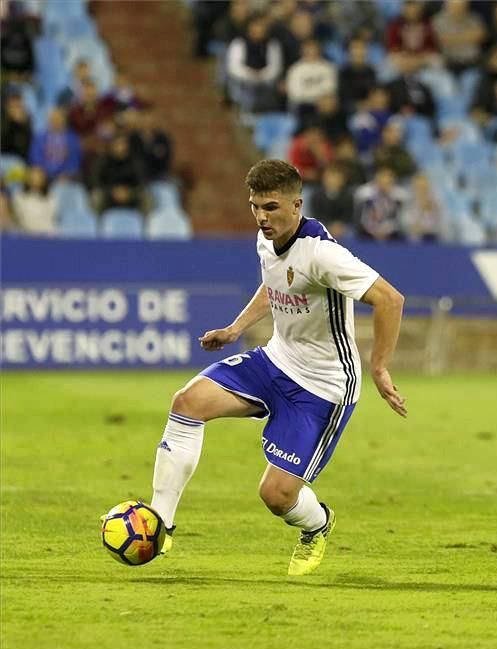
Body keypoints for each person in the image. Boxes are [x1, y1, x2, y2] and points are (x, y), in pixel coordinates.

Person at [147, 159, 406, 576]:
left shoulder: (323, 255)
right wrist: (235, 328)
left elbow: (390, 300)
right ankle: (160, 524)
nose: (261, 217)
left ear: (296, 204)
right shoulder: (266, 239)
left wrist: (379, 367)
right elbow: (274, 286)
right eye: (254, 207)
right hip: (276, 360)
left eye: (270, 207)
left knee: (277, 495)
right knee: (187, 402)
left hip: (322, 388)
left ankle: (317, 526)